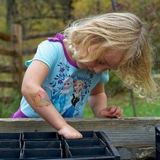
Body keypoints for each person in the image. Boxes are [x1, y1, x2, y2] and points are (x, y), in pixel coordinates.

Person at [12, 12, 158, 139]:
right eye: (101, 61)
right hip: (27, 127)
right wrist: (61, 125)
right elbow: (30, 88)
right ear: (92, 38)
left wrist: (100, 111)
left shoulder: (96, 67)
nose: (99, 71)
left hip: (71, 130)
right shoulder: (52, 50)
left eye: (108, 68)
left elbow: (97, 93)